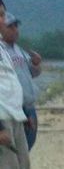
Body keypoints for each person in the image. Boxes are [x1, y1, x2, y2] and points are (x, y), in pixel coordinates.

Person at [0, 0, 56, 169]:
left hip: (15, 114)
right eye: (1, 16)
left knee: (22, 167)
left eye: (3, 15)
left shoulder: (6, 49)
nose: (4, 21)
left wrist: (23, 113)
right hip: (3, 119)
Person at [0, 13, 42, 151]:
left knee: (27, 145)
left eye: (16, 26)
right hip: (14, 109)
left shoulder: (20, 51)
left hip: (29, 106)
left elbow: (33, 73)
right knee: (14, 150)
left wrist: (36, 64)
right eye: (10, 26)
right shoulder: (2, 52)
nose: (15, 29)